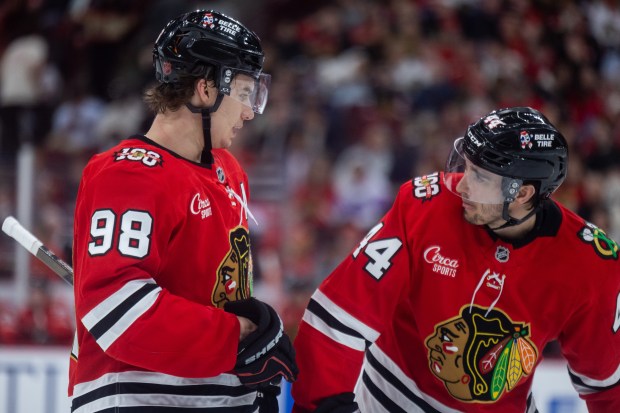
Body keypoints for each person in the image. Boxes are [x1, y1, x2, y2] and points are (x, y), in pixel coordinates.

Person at [291, 107, 620, 412]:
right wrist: (321, 405)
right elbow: (338, 314)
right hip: (386, 397)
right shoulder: (423, 206)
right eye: (465, 167)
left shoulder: (592, 265)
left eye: (480, 177)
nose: (461, 184)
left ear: (521, 194)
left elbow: (608, 389)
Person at [69, 10, 297, 413]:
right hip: (141, 397)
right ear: (206, 90)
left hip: (219, 397)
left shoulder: (229, 171)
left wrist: (248, 366)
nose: (249, 111)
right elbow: (117, 312)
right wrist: (238, 336)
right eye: (245, 93)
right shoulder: (128, 173)